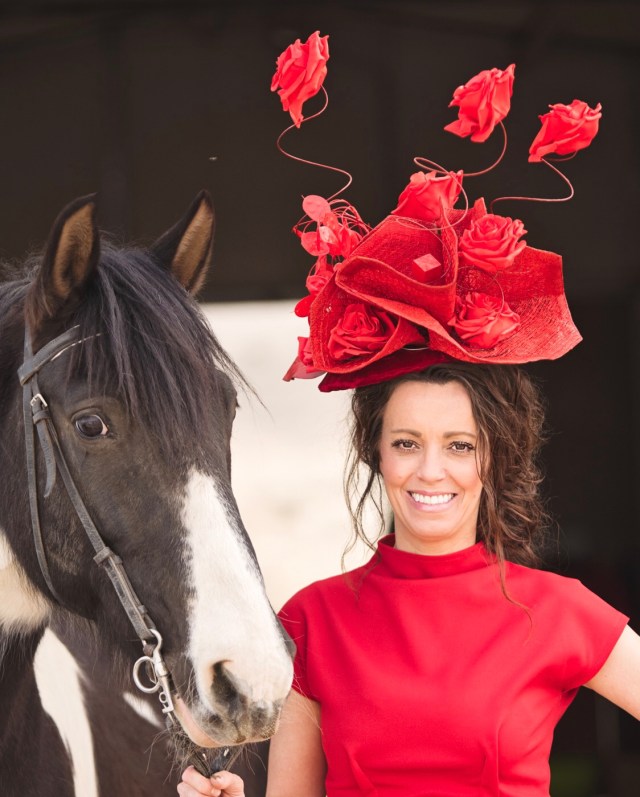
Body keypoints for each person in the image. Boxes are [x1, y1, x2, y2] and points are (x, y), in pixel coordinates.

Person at [177, 34, 639, 797]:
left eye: (459, 444)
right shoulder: (313, 623)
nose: (432, 469)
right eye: (406, 442)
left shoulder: (558, 612)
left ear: (494, 457)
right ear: (377, 454)